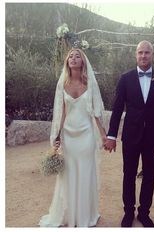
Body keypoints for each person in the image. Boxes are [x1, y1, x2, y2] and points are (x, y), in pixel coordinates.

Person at [104, 40, 154, 227]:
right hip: (131, 136)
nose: (143, 56)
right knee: (129, 174)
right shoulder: (125, 78)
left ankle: (144, 213)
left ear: (152, 54)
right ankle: (128, 212)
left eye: (147, 52)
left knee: (149, 175)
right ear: (136, 55)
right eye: (140, 52)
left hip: (153, 137)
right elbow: (117, 109)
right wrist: (111, 135)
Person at [39, 48, 106, 227]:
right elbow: (61, 112)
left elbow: (97, 112)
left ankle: (85, 215)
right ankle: (70, 215)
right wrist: (57, 135)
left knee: (85, 174)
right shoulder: (62, 84)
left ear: (83, 62)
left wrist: (103, 135)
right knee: (68, 176)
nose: (73, 59)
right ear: (67, 62)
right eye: (70, 56)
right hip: (68, 136)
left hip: (86, 135)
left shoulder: (90, 83)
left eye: (77, 56)